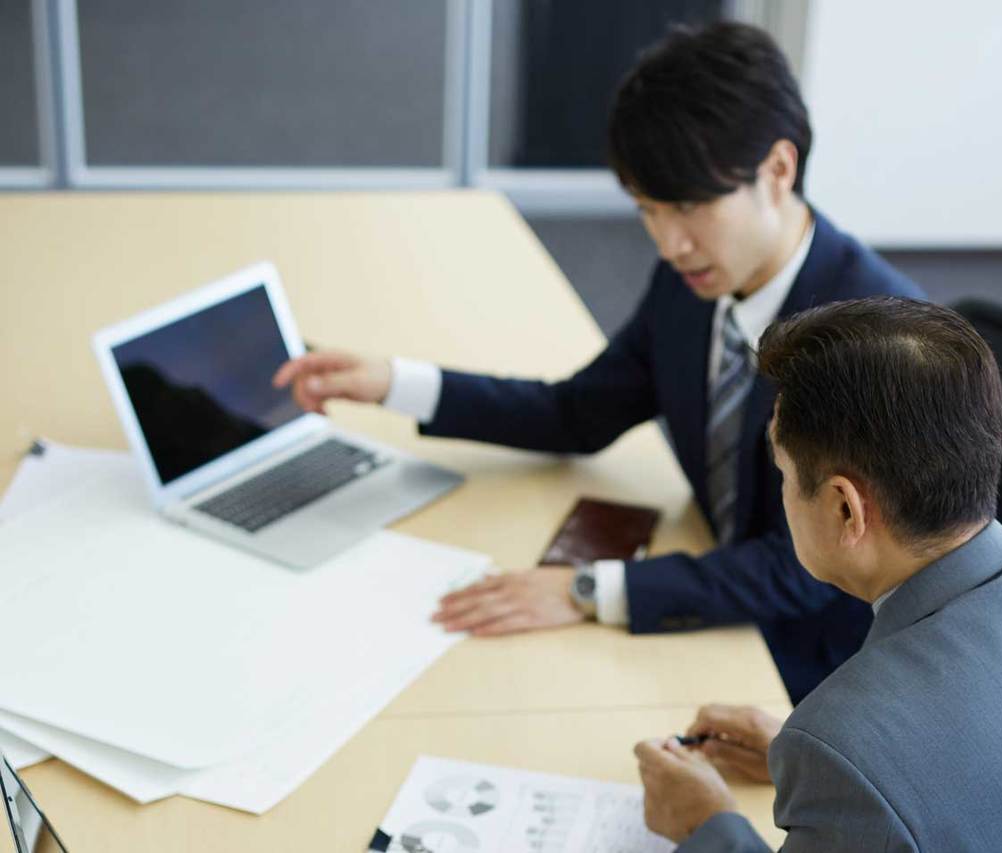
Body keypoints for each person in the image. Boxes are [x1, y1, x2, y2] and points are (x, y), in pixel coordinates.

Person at [273, 22, 923, 702]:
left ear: (778, 169)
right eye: (647, 210)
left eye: (690, 206)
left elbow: (803, 568)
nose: (670, 242)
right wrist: (395, 383)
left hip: (825, 667)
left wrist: (593, 589)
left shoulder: (871, 339)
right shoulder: (694, 278)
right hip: (713, 600)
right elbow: (579, 413)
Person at [634, 297, 1002, 851]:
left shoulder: (847, 742)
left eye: (782, 471)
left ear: (844, 509)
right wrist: (821, 775)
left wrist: (707, 823)